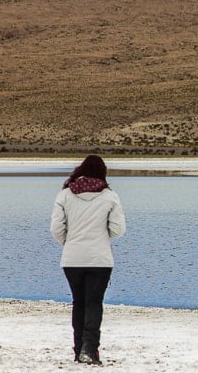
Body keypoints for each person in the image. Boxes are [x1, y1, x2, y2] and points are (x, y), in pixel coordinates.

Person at [50, 155, 126, 365]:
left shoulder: (65, 195)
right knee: (94, 303)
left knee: (79, 303)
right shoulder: (110, 196)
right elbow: (118, 230)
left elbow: (56, 229)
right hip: (99, 259)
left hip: (72, 259)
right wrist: (101, 236)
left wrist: (70, 241)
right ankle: (89, 350)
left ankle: (78, 350)